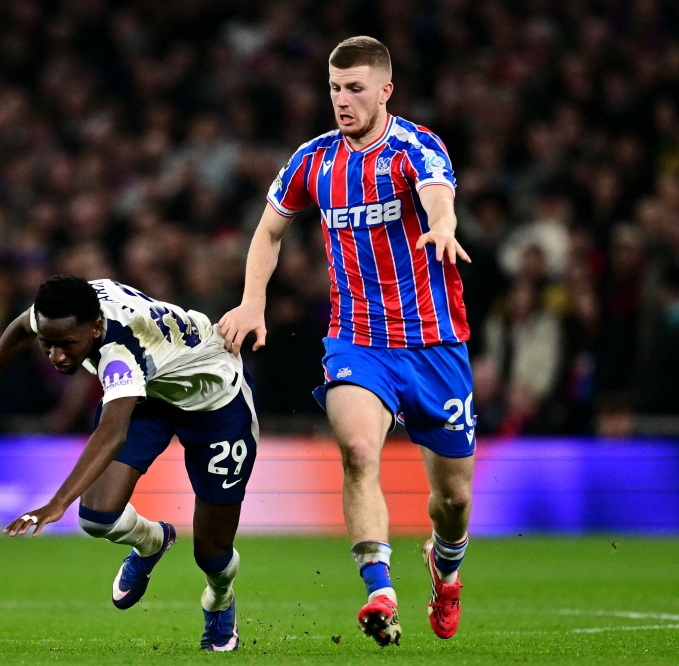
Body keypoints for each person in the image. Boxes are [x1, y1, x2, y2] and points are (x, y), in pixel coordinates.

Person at [219, 36, 474, 646]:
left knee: (454, 499)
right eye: (334, 88)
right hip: (357, 341)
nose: (342, 100)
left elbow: (440, 197)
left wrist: (441, 227)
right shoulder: (313, 160)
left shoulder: (416, 147)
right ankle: (379, 589)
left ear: (385, 90)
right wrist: (252, 301)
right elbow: (269, 232)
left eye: (355, 88)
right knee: (359, 449)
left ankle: (446, 566)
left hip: (435, 345)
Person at [0, 276, 258, 652]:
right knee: (96, 517)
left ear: (95, 328)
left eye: (66, 345)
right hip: (154, 391)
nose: (56, 356)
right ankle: (153, 542)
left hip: (216, 401)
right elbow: (19, 328)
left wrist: (57, 502)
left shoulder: (120, 352)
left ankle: (219, 600)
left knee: (211, 552)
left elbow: (112, 434)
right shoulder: (69, 307)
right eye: (48, 344)